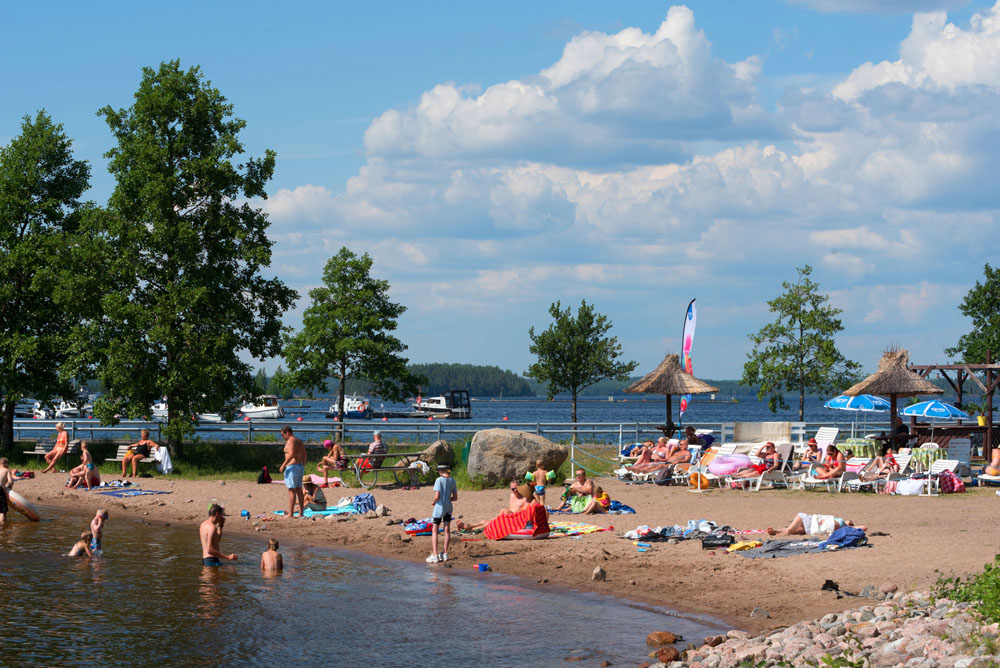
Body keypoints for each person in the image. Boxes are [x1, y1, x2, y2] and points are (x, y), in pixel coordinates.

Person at [456, 481, 526, 532]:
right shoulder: (512, 495)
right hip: (507, 517)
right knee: (485, 521)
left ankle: (471, 529)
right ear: (510, 489)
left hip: (514, 519)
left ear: (520, 487)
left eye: (516, 488)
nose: (515, 490)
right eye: (513, 489)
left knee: (504, 511)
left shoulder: (524, 498)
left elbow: (524, 514)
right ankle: (468, 526)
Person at [427, 463, 458, 563]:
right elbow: (455, 498)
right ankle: (445, 553)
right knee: (447, 530)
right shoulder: (453, 480)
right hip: (449, 507)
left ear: (440, 471)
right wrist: (448, 499)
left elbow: (437, 496)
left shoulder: (439, 480)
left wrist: (433, 502)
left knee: (435, 530)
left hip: (439, 507)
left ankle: (435, 554)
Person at [279, 426, 306, 518]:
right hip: (299, 466)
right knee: (299, 490)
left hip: (292, 467)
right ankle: (301, 512)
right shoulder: (299, 441)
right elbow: (304, 453)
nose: (282, 437)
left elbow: (291, 454)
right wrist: (303, 464)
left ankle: (291, 513)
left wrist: (283, 465)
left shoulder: (291, 441)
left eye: (282, 435)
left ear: (287, 432)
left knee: (292, 490)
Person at [767, 513, 866, 536]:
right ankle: (776, 531)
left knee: (800, 516)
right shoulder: (842, 525)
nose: (850, 521)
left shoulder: (845, 526)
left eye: (851, 523)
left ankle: (785, 531)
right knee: (794, 529)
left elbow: (864, 527)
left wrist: (851, 527)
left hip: (815, 524)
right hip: (816, 527)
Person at [0, 457, 12, 525]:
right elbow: (10, 482)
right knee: (2, 511)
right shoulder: (6, 470)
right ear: (6, 464)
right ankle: (3, 527)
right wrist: (8, 489)